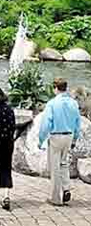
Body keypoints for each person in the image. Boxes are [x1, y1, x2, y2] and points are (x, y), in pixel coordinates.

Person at [39, 77, 82, 206]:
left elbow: (46, 124)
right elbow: (77, 123)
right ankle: (66, 188)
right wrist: (75, 139)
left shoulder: (52, 103)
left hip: (56, 137)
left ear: (55, 88)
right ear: (66, 88)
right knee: (64, 164)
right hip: (69, 136)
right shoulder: (73, 103)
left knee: (55, 167)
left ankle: (55, 198)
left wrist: (41, 140)